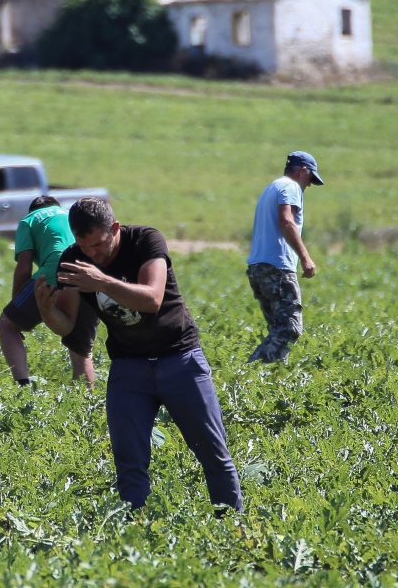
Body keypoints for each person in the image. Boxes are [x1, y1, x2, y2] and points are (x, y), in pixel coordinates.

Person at [34, 197, 243, 514]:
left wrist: (102, 281)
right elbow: (65, 325)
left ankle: (231, 530)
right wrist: (47, 310)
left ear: (114, 229)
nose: (93, 254)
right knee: (129, 461)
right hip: (129, 368)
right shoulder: (73, 260)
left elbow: (152, 299)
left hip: (180, 359)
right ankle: (138, 537)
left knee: (213, 453)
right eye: (84, 246)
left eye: (99, 245)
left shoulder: (145, 240)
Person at [0, 195, 98, 387]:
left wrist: (16, 310)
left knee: (6, 325)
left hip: (55, 272)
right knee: (80, 349)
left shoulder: (30, 220)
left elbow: (24, 267)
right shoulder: (70, 215)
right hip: (90, 274)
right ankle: (86, 407)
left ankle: (23, 388)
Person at [246, 151, 324, 363]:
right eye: (309, 179)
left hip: (258, 267)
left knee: (277, 331)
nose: (308, 185)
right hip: (277, 268)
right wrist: (306, 258)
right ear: (303, 171)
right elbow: (287, 221)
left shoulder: (271, 187)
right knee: (290, 330)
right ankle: (249, 371)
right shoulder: (290, 187)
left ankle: (270, 382)